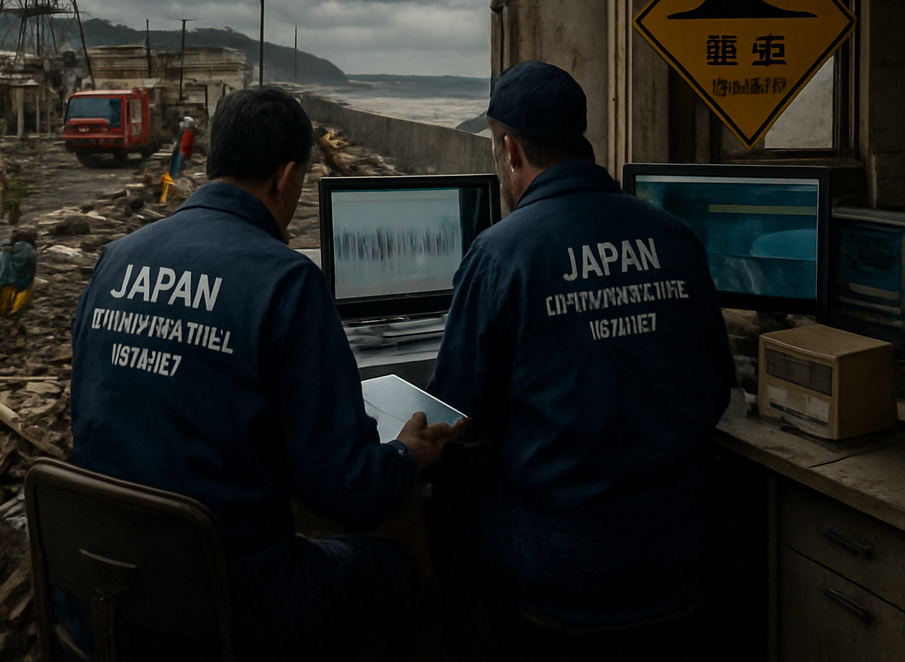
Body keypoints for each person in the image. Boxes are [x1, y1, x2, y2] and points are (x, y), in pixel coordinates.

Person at [67, 86, 463, 662]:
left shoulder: (116, 259)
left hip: (102, 592)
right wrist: (405, 454)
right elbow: (345, 491)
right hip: (231, 603)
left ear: (211, 161)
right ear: (286, 177)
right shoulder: (286, 281)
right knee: (396, 570)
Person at [425, 60, 735, 660]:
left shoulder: (500, 252)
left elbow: (454, 412)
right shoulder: (673, 236)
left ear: (510, 150)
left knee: (446, 508)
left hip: (562, 558)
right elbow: (715, 386)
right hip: (680, 544)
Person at [0, 226, 37, 315]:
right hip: (18, 290)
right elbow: (31, 272)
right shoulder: (29, 250)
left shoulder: (3, 252)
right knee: (26, 286)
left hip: (0, 291)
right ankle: (17, 308)